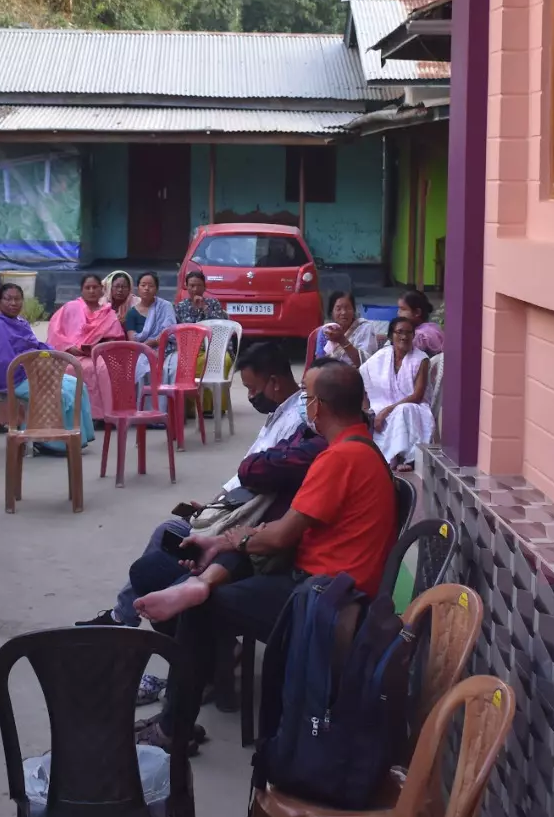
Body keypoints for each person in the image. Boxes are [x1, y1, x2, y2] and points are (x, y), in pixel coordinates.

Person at [133, 359, 398, 750]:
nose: (305, 405)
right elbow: (284, 531)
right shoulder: (362, 449)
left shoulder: (339, 458)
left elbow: (281, 536)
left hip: (325, 600)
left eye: (307, 397)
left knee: (202, 608)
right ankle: (202, 584)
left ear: (318, 407)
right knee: (241, 550)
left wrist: (235, 540)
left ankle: (175, 729)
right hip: (326, 583)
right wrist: (224, 542)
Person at [77, 342, 322, 629]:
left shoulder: (300, 424)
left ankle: (142, 619)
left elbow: (256, 475)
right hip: (236, 510)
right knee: (167, 534)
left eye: (253, 389)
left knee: (162, 565)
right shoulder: (280, 414)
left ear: (275, 382)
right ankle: (124, 616)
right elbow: (249, 474)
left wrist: (224, 510)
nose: (251, 396)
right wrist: (215, 504)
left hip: (250, 523)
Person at [0, 282, 93, 450]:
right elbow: (2, 361)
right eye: (8, 299)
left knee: (78, 385)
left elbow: (35, 345)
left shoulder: (20, 322)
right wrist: (35, 370)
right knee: (61, 394)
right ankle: (49, 442)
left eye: (17, 299)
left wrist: (53, 353)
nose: (13, 303)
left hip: (33, 372)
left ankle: (77, 437)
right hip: (13, 378)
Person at [48, 273, 126, 418]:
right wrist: (69, 347)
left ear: (102, 289)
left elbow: (115, 338)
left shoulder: (108, 313)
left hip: (100, 355)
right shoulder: (70, 307)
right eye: (87, 287)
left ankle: (104, 415)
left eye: (95, 287)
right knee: (72, 368)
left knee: (107, 368)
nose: (91, 291)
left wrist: (100, 348)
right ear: (82, 290)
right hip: (71, 354)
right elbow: (55, 332)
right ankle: (77, 415)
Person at [361, 316, 434, 468]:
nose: (404, 336)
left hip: (415, 408)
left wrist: (387, 410)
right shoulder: (382, 355)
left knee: (404, 410)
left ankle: (406, 459)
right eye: (399, 332)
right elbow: (363, 377)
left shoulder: (421, 359)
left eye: (409, 333)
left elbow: (417, 396)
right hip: (383, 407)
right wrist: (366, 407)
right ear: (390, 336)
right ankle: (390, 458)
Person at [312, 291, 381, 366]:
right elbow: (319, 363)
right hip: (330, 373)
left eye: (348, 308)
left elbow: (366, 363)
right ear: (331, 312)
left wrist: (342, 340)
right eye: (338, 309)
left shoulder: (365, 328)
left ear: (354, 310)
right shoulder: (326, 331)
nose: (344, 312)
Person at [400, 290, 445, 356]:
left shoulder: (419, 336)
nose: (398, 312)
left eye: (403, 309)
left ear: (417, 312)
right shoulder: (434, 327)